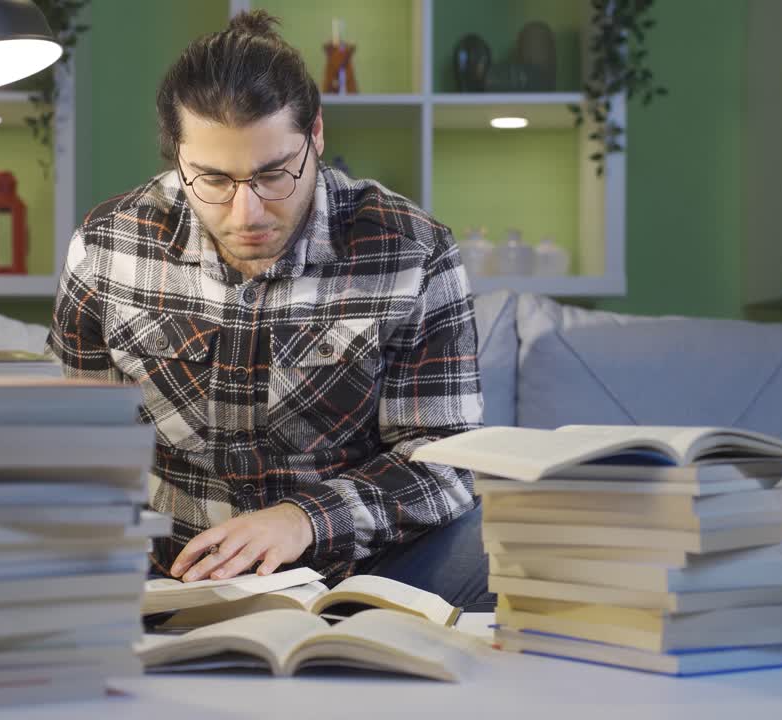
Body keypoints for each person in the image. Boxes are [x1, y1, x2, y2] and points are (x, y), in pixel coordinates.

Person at [47, 10, 491, 608]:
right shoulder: (107, 247)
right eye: (212, 179)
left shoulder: (413, 251)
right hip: (166, 564)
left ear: (317, 136)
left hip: (367, 565)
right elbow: (70, 446)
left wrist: (303, 519)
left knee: (504, 555)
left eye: (273, 174)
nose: (246, 212)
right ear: (177, 155)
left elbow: (445, 463)